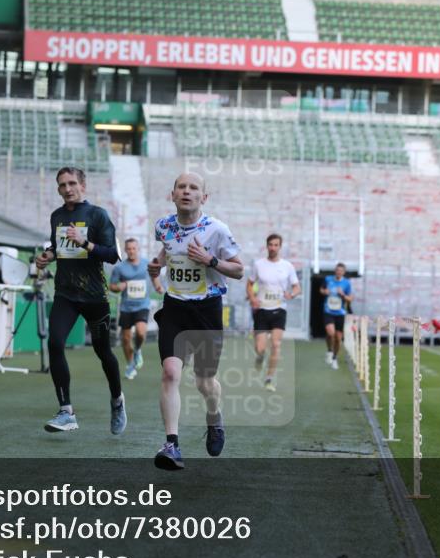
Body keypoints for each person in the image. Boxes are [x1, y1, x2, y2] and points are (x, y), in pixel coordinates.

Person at [148, 173, 243, 470]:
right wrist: (158, 264)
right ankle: (172, 445)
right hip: (175, 308)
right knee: (170, 373)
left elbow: (239, 270)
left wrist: (210, 260)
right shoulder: (163, 226)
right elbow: (169, 248)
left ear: (204, 196)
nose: (187, 192)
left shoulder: (217, 230)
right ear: (172, 194)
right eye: (181, 187)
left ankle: (214, 418)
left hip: (206, 311)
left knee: (205, 382)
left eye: (194, 188)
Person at [34, 167, 126, 435]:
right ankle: (66, 412)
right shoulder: (57, 216)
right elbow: (57, 247)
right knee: (54, 342)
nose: (67, 188)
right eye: (62, 184)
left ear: (83, 185)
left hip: (95, 296)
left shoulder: (97, 215)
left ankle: (117, 400)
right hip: (65, 293)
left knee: (102, 351)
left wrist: (86, 243)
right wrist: (47, 256)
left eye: (72, 183)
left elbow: (112, 255)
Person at [247, 233, 300, 392]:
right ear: (267, 246)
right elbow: (249, 284)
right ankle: (260, 357)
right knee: (261, 348)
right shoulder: (258, 264)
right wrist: (252, 298)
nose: (273, 247)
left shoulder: (287, 266)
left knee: (276, 344)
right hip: (262, 309)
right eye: (270, 244)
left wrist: (292, 294)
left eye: (276, 245)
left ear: (280, 247)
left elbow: (297, 287)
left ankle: (269, 378)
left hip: (279, 309)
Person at [109, 238, 164, 380]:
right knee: (126, 339)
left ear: (138, 249)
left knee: (140, 333)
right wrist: (118, 287)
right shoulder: (120, 268)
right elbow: (112, 286)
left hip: (142, 305)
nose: (131, 251)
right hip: (127, 307)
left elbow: (154, 275)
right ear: (126, 250)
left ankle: (138, 350)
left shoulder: (146, 264)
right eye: (129, 249)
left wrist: (158, 286)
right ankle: (130, 364)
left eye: (134, 248)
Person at [320, 262, 352, 371]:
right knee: (330, 333)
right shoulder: (328, 279)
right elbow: (321, 290)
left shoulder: (346, 283)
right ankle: (329, 351)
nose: (339, 272)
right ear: (335, 270)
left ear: (344, 272)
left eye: (341, 271)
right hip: (328, 311)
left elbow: (350, 298)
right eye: (337, 270)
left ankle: (334, 358)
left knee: (338, 338)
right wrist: (325, 291)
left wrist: (342, 294)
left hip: (340, 313)